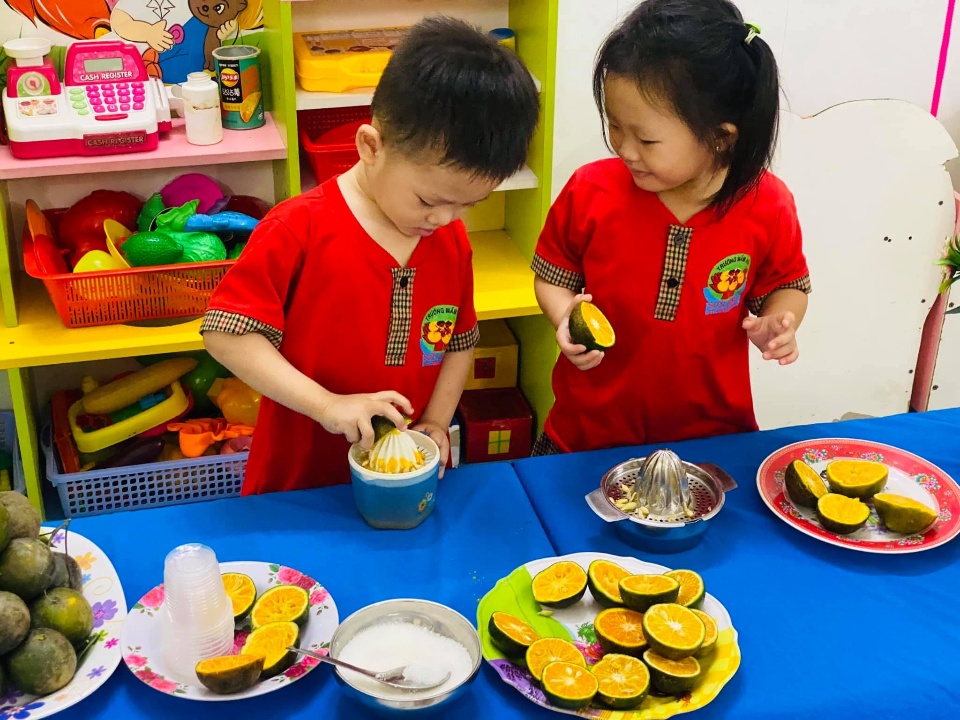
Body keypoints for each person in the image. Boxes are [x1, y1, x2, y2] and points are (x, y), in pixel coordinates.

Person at [201, 16, 540, 492]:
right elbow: (226, 335)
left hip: (398, 474)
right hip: (299, 482)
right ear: (370, 147)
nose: (445, 218)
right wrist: (327, 405)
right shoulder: (297, 228)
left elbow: (459, 342)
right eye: (428, 200)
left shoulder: (450, 241)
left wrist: (436, 421)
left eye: (468, 204)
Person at [532, 0, 810, 456]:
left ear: (720, 137)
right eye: (614, 126)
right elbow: (551, 276)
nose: (624, 149)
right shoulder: (591, 190)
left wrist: (781, 323)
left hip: (711, 441)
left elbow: (787, 286)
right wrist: (565, 316)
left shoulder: (768, 204)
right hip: (586, 436)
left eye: (646, 139)